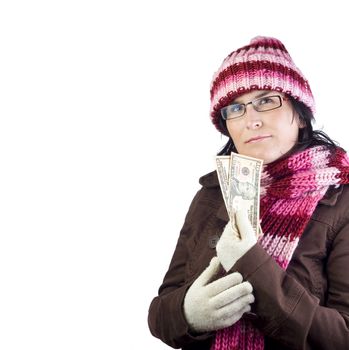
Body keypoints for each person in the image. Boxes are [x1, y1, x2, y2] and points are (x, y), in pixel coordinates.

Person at [148, 36, 349, 350]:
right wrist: (188, 314)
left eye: (267, 100)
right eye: (236, 108)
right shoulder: (212, 195)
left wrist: (250, 263)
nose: (251, 120)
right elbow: (160, 314)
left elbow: (342, 337)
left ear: (299, 112)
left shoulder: (341, 200)